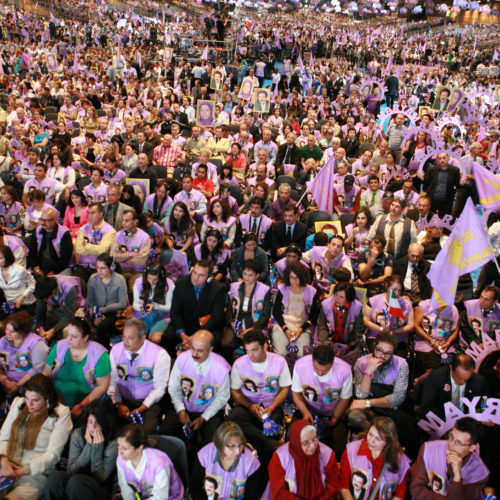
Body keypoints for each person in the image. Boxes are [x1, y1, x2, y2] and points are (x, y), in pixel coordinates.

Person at [0, 375, 72, 500]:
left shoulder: (61, 413)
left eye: (35, 400)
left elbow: (53, 455)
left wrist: (23, 470)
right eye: (27, 398)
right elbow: (3, 437)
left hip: (35, 475)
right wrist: (4, 460)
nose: (29, 404)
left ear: (47, 398)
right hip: (6, 468)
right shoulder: (18, 403)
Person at [228, 329, 291, 467]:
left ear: (265, 346)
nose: (250, 355)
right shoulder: (239, 364)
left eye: (255, 350)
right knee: (233, 419)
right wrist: (250, 406)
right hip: (247, 405)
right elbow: (235, 391)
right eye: (247, 350)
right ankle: (269, 445)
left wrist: (272, 407)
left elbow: (285, 389)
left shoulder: (279, 362)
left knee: (272, 430)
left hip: (272, 406)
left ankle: (264, 467)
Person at [351, 333, 419, 459]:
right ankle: (377, 437)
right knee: (353, 415)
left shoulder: (401, 364)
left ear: (393, 352)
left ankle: (393, 449)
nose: (382, 356)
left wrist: (368, 403)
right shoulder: (360, 363)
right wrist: (369, 371)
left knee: (409, 429)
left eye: (388, 353)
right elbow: (361, 395)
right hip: (371, 411)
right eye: (379, 351)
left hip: (392, 409)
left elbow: (397, 398)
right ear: (374, 346)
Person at [162, 330, 231, 446]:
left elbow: (222, 398)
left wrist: (203, 418)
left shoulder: (222, 368)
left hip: (209, 411)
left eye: (200, 351)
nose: (194, 354)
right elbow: (173, 387)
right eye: (192, 348)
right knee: (163, 436)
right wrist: (180, 410)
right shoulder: (182, 359)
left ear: (210, 350)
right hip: (183, 405)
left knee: (211, 446)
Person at [43, 400, 118, 500]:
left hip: (100, 489)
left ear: (106, 424)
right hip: (75, 481)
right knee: (56, 478)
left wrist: (97, 448)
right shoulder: (78, 435)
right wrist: (89, 446)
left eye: (98, 423)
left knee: (77, 483)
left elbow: (100, 478)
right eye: (90, 422)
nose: (93, 427)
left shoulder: (113, 444)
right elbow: (71, 470)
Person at [108, 319, 170, 434]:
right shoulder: (116, 350)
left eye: (130, 338)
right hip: (122, 400)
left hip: (148, 403)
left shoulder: (159, 354)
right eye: (124, 337)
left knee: (145, 433)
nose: (125, 342)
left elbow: (159, 388)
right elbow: (113, 381)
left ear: (143, 338)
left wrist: (142, 408)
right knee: (110, 428)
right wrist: (119, 404)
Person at [292, 344, 352, 459]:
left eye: (325, 370)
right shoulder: (300, 366)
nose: (320, 373)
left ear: (332, 363)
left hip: (332, 413)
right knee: (296, 443)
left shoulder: (345, 371)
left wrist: (334, 419)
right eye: (317, 369)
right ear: (312, 361)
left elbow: (345, 399)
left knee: (337, 450)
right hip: (307, 409)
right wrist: (305, 412)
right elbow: (296, 393)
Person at [43, 318, 110, 419]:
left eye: (74, 336)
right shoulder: (59, 346)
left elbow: (102, 387)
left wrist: (81, 406)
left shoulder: (99, 355)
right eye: (68, 334)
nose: (68, 339)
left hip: (85, 405)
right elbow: (46, 373)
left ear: (85, 338)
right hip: (56, 401)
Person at [409, 417, 489, 500]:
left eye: (459, 443)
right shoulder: (428, 450)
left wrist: (457, 478)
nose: (451, 444)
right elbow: (416, 489)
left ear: (472, 447)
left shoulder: (480, 474)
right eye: (451, 436)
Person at [340, 416, 410, 500]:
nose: (371, 441)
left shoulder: (401, 460)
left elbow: (400, 492)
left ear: (388, 442)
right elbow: (343, 484)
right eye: (370, 434)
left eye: (378, 439)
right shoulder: (351, 451)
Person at [190, 421, 264, 500]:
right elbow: (196, 490)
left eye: (240, 445)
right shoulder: (205, 455)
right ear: (220, 445)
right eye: (231, 446)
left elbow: (252, 496)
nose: (238, 451)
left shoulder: (251, 462)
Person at [165, 259, 227, 354]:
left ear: (209, 277)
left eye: (201, 275)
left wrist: (197, 336)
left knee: (216, 340)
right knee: (167, 337)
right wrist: (182, 334)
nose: (195, 277)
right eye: (194, 272)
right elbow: (175, 311)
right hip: (185, 324)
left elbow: (217, 317)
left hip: (206, 326)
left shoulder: (218, 289)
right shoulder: (181, 283)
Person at [268, 419, 340, 499]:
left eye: (314, 440)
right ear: (296, 442)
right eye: (305, 443)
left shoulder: (327, 454)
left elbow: (334, 485)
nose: (312, 446)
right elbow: (278, 491)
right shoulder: (280, 457)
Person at [116, 423, 184, 500]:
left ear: (139, 448)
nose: (119, 453)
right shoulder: (121, 459)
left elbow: (161, 497)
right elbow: (126, 491)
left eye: (124, 448)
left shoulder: (159, 463)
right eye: (118, 446)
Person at [418, 354, 489, 419]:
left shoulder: (479, 381)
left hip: (468, 421)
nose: (462, 382)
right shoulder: (436, 377)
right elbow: (427, 407)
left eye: (466, 379)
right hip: (442, 420)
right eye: (459, 378)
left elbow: (484, 403)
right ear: (451, 368)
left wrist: (485, 414)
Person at [272, 262, 320, 357]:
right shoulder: (283, 289)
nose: (293, 280)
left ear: (302, 277)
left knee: (302, 355)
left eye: (296, 277)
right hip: (282, 326)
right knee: (281, 353)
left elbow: (314, 316)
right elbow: (276, 312)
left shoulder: (312, 292)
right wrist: (286, 329)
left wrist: (301, 329)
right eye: (291, 277)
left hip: (302, 327)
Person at [225, 260, 272, 349]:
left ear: (257, 275)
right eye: (244, 273)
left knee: (253, 346)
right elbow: (229, 309)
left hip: (255, 325)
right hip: (236, 322)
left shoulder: (264, 290)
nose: (246, 277)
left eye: (250, 275)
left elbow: (265, 316)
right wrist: (233, 325)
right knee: (226, 343)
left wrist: (250, 330)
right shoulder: (234, 287)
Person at [0, 311, 48, 395]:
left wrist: (18, 385)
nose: (8, 333)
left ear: (22, 332)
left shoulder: (36, 343)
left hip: (28, 385)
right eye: (7, 329)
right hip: (6, 383)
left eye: (12, 331)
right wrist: (5, 381)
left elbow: (37, 369)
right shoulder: (3, 341)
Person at [363, 275, 414, 352]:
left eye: (399, 290)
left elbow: (411, 325)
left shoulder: (407, 304)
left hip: (398, 340)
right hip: (376, 338)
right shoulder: (373, 301)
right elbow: (366, 321)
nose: (397, 293)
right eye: (394, 290)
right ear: (387, 286)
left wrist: (395, 331)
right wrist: (381, 329)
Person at [87, 253, 128, 347]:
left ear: (111, 268)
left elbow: (122, 304)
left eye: (103, 268)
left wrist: (104, 310)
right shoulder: (93, 279)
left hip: (114, 313)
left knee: (102, 327)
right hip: (96, 310)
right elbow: (90, 301)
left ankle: (103, 350)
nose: (99, 271)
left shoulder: (120, 280)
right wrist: (97, 314)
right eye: (97, 267)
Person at [414, 297, 459, 375]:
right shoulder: (423, 306)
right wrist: (431, 341)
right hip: (426, 344)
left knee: (452, 371)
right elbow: (416, 326)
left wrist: (448, 342)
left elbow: (455, 330)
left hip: (445, 345)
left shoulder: (453, 309)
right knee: (432, 372)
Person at [34, 275, 85, 342]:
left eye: (46, 299)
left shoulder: (69, 288)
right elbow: (40, 311)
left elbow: (69, 315)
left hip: (75, 309)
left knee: (64, 331)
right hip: (57, 308)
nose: (45, 300)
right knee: (37, 327)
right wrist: (40, 328)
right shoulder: (41, 289)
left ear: (53, 291)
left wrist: (53, 330)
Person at [132, 263, 175, 344]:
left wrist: (155, 306)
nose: (151, 282)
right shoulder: (139, 282)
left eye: (155, 279)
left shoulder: (169, 285)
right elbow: (135, 304)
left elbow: (169, 307)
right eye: (149, 278)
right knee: (136, 337)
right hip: (142, 315)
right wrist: (141, 308)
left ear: (161, 278)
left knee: (155, 339)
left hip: (161, 316)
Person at [110, 209, 151, 290]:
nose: (123, 223)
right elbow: (112, 257)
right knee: (114, 287)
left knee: (135, 288)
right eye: (122, 220)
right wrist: (131, 254)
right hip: (120, 271)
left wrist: (121, 257)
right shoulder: (118, 235)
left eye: (127, 220)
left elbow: (142, 260)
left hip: (138, 272)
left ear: (135, 222)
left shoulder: (145, 237)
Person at [27, 208, 73, 277]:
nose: (43, 223)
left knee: (51, 283)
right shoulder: (37, 230)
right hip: (40, 267)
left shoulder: (64, 233)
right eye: (41, 219)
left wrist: (51, 273)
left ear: (55, 220)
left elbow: (65, 260)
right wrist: (36, 269)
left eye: (46, 220)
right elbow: (31, 253)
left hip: (59, 269)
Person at [0, 245, 36, 318]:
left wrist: (23, 296)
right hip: (9, 304)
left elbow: (32, 284)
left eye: (0, 258)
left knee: (17, 324)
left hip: (25, 303)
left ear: (7, 258)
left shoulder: (19, 270)